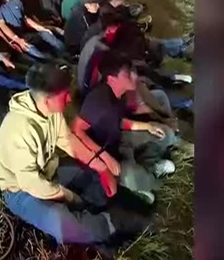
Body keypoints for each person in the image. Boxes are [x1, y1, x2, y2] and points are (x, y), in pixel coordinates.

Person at [0, 63, 151, 246]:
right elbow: (31, 183)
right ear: (47, 100)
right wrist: (69, 197)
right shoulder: (19, 131)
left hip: (49, 170)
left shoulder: (51, 111)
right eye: (65, 95)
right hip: (20, 191)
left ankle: (113, 208)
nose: (69, 99)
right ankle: (110, 226)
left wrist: (101, 167)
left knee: (93, 177)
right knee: (65, 222)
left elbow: (68, 141)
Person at [72, 52, 178, 205]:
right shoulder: (98, 100)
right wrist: (104, 158)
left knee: (163, 134)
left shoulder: (120, 94)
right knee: (137, 179)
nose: (133, 76)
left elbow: (117, 120)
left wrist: (146, 126)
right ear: (112, 78)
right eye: (128, 73)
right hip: (101, 152)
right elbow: (77, 130)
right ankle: (142, 184)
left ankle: (149, 167)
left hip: (117, 138)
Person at [0, 0, 68, 60]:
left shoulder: (17, 2)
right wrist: (17, 39)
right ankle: (52, 62)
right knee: (38, 54)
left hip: (25, 35)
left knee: (47, 35)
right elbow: (1, 25)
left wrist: (42, 28)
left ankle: (66, 54)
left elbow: (26, 19)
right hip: (13, 39)